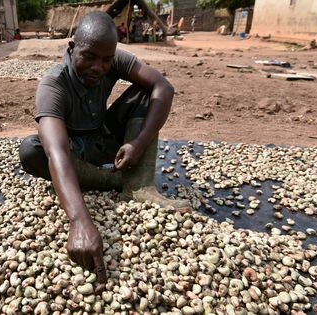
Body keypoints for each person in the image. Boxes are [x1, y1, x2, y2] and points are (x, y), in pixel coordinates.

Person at [18, 12, 191, 292]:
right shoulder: (53, 85)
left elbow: (164, 87)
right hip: (73, 152)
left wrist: (139, 143)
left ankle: (139, 186)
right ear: (72, 47)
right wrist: (80, 221)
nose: (99, 67)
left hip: (105, 139)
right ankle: (114, 181)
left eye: (106, 59)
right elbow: (58, 153)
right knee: (30, 151)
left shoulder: (111, 58)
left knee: (147, 93)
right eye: (90, 57)